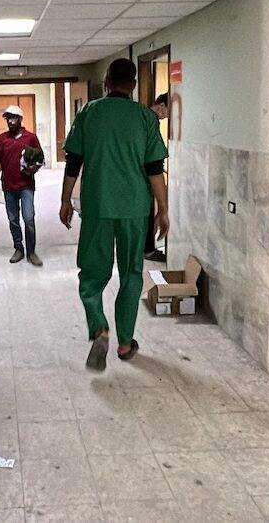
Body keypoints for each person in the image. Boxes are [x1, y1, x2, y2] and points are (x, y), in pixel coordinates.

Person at [61, 58, 169, 370]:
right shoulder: (145, 117)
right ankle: (124, 344)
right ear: (133, 85)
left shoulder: (90, 112)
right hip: (135, 208)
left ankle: (98, 326)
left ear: (107, 81)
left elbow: (73, 161)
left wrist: (66, 199)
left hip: (96, 205)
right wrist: (163, 209)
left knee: (93, 272)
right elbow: (154, 169)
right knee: (132, 273)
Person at [0, 105, 44, 266]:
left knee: (28, 218)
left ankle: (31, 252)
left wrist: (33, 169)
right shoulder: (2, 139)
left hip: (26, 185)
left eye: (13, 118)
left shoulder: (31, 138)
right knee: (13, 219)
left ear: (21, 119)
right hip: (8, 186)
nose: (10, 121)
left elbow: (40, 158)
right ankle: (19, 249)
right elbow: (0, 159)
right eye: (8, 118)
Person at [145, 92, 170, 262]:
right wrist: (163, 209)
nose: (166, 117)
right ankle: (147, 250)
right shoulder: (150, 121)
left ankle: (147, 248)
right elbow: (155, 166)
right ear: (161, 106)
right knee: (147, 213)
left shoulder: (140, 118)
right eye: (167, 112)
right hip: (142, 180)